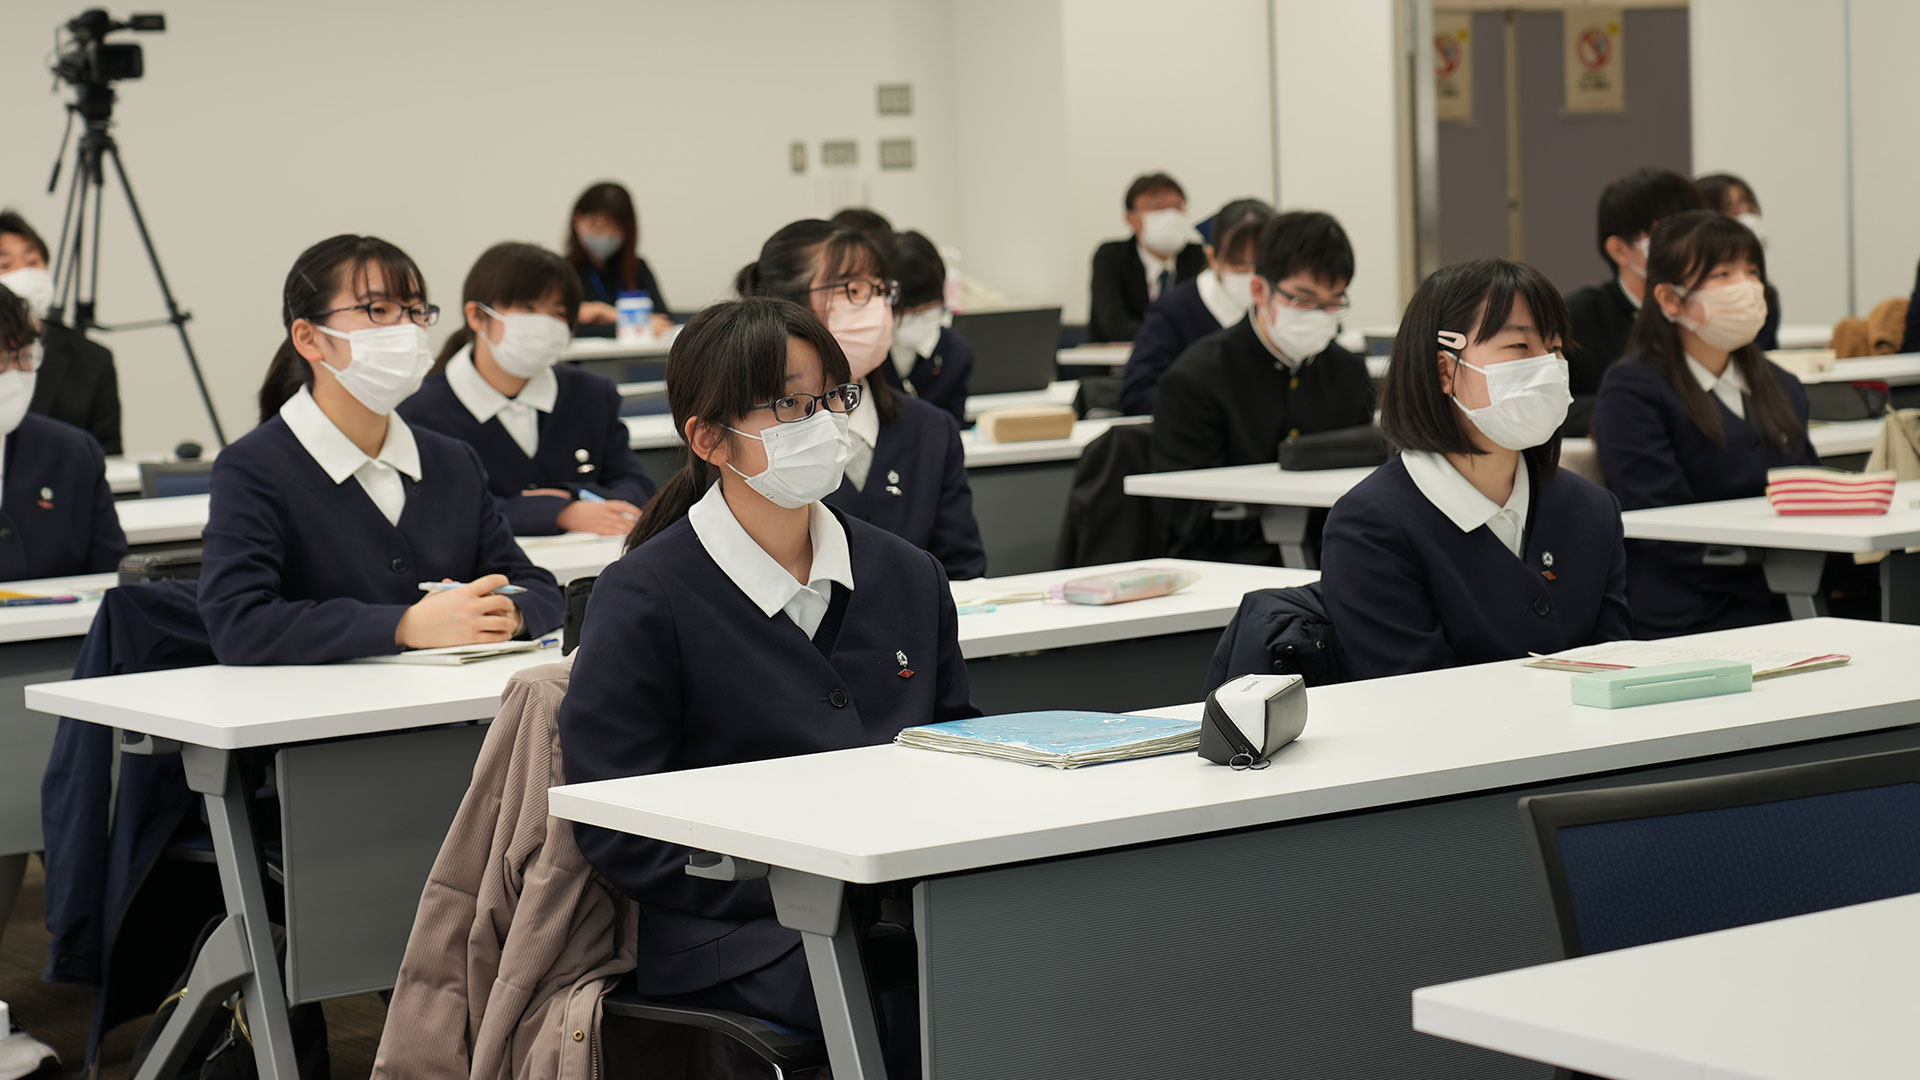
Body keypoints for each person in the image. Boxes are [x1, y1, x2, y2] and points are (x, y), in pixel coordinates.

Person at [560, 296, 975, 1077]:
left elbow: (953, 742)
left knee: (1046, 956)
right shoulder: (647, 596)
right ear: (709, 438)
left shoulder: (906, 574)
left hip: (898, 904)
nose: (820, 421)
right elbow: (614, 825)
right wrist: (797, 886)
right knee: (917, 999)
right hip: (739, 929)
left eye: (829, 397)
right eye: (788, 403)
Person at [198, 234, 563, 665]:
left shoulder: (451, 460)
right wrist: (403, 626)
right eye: (378, 310)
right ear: (309, 338)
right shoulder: (254, 467)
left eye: (415, 312)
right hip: (325, 724)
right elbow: (239, 623)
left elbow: (533, 585)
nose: (406, 329)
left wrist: (509, 612)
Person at [1320, 260, 1630, 680]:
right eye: (1519, 348)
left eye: (1555, 348)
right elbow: (1408, 691)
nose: (1547, 368)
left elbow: (1616, 667)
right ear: (1445, 370)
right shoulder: (1370, 527)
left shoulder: (1593, 510)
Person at [1594, 210, 1817, 639]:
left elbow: (1809, 491)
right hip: (1691, 608)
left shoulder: (1780, 384)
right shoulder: (1633, 390)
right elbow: (1661, 524)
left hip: (1789, 590)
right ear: (1670, 299)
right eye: (1722, 273)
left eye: (1752, 271)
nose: (1747, 287)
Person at [738, 219, 987, 579]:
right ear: (787, 304)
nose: (875, 308)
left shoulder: (930, 430)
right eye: (854, 290)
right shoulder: (754, 433)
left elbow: (963, 574)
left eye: (880, 289)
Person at [1151, 211, 1373, 564]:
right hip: (1232, 569)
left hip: (1336, 559)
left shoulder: (1348, 372)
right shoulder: (1195, 379)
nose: (1318, 314)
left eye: (1333, 301)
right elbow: (1190, 518)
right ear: (1259, 290)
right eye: (1302, 299)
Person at [399, 242, 655, 536]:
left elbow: (638, 486)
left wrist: (569, 495)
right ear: (477, 316)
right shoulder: (421, 409)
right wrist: (560, 512)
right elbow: (442, 508)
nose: (544, 324)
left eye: (558, 313)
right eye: (528, 307)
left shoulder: (591, 393)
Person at [1562, 168, 1706, 432]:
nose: (1690, 247)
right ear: (1619, 250)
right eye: (1669, 234)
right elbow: (1552, 408)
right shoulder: (1576, 319)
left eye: (1695, 231)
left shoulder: (1714, 307)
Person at [0, 283, 126, 581]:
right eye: (3, 358)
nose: (15, 374)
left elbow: (112, 577)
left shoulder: (71, 452)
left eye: (25, 357)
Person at [1119, 197, 1275, 415]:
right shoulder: (1174, 311)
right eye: (1239, 265)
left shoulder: (1293, 308)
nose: (1252, 277)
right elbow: (1138, 395)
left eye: (1262, 266)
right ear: (1213, 258)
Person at [0, 210, 122, 454]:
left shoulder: (92, 359)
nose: (24, 272)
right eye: (5, 265)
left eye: (33, 262)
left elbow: (108, 454)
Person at [1087, 173, 1207, 342]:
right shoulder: (1111, 257)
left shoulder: (1199, 257)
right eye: (1158, 208)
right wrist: (1177, 333)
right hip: (1116, 364)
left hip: (1184, 363)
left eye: (1177, 207)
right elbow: (1115, 327)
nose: (1170, 217)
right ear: (1131, 218)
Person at [884, 230, 973, 423]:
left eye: (929, 310)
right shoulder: (866, 358)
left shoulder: (956, 353)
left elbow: (954, 425)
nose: (918, 319)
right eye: (907, 312)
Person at [565, 182, 673, 335]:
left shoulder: (637, 268)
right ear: (578, 220)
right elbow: (568, 327)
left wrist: (606, 313)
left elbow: (663, 323)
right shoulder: (562, 273)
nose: (607, 235)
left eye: (616, 228)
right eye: (599, 226)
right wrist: (638, 324)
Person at [1695, 172, 1781, 350]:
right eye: (1733, 211)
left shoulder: (1766, 294)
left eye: (1751, 210)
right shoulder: (1694, 298)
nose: (1747, 219)